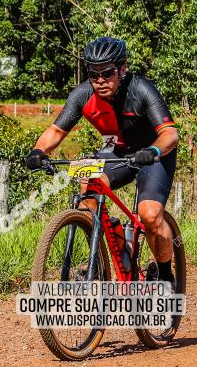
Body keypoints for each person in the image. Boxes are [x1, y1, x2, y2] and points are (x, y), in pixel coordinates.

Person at [24, 36, 179, 282]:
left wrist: (154, 151)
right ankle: (108, 251)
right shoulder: (83, 94)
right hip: (116, 153)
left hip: (153, 156)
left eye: (107, 73)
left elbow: (170, 134)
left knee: (149, 214)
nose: (100, 81)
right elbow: (56, 131)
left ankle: (164, 273)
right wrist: (38, 152)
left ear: (122, 69)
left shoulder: (141, 89)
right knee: (88, 189)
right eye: (93, 75)